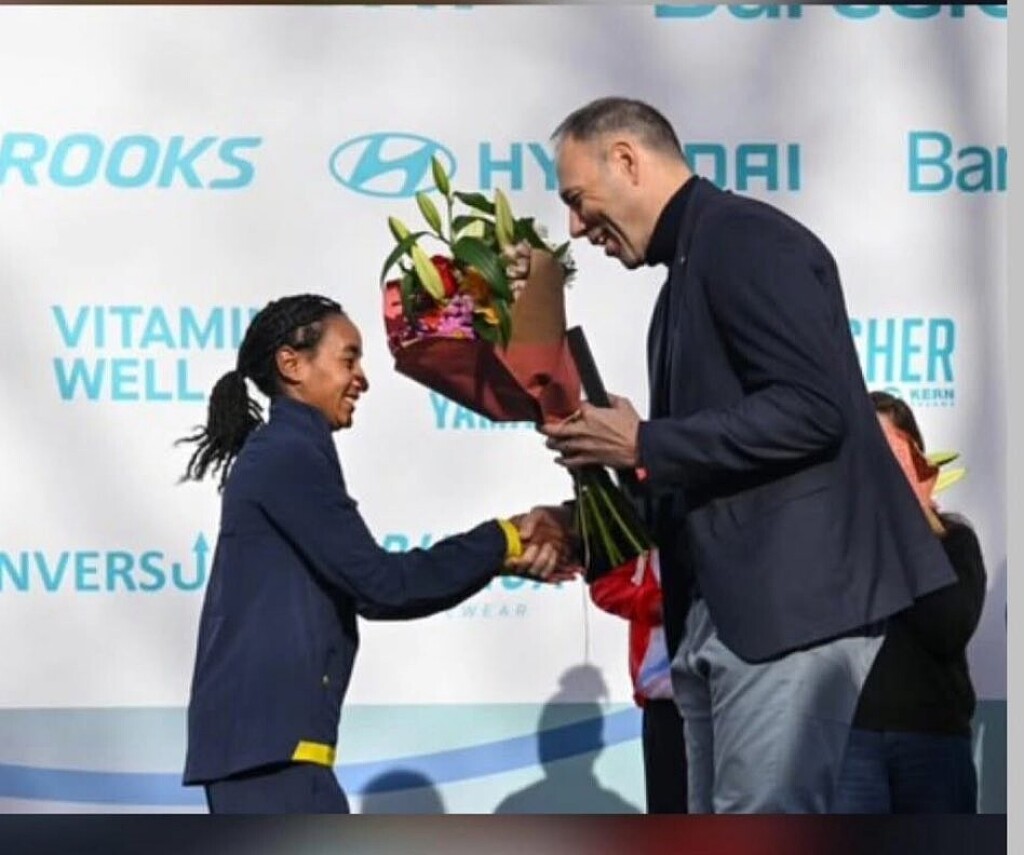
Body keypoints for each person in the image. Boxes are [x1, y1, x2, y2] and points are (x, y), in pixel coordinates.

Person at [531, 97, 957, 812]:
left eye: (577, 199)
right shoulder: (681, 281)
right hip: (717, 615)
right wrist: (580, 522)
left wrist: (645, 441)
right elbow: (703, 467)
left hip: (788, 609)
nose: (575, 226)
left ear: (627, 160)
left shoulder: (744, 239)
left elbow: (815, 408)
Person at [178, 294, 572, 814]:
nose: (361, 378)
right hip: (271, 760)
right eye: (349, 359)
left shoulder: (289, 450)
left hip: (269, 755)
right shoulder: (286, 454)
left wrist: (500, 553)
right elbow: (384, 585)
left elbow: (376, 589)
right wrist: (503, 539)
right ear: (292, 365)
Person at [833, 391, 986, 813]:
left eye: (893, 453)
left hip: (934, 740)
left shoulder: (954, 541)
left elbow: (947, 627)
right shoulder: (834, 539)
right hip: (852, 739)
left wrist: (912, 519)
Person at [589, 550, 688, 813]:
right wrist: (655, 603)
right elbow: (604, 585)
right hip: (666, 697)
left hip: (733, 688)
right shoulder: (640, 529)